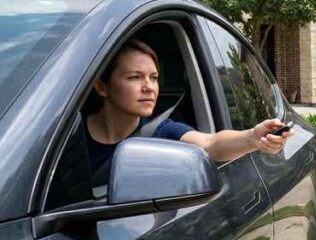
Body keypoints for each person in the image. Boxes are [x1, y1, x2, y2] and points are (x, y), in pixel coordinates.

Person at [86, 38, 291, 186]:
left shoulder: (160, 132)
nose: (149, 87)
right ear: (102, 87)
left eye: (154, 78)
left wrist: (252, 138)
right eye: (134, 77)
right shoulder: (71, 134)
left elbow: (210, 143)